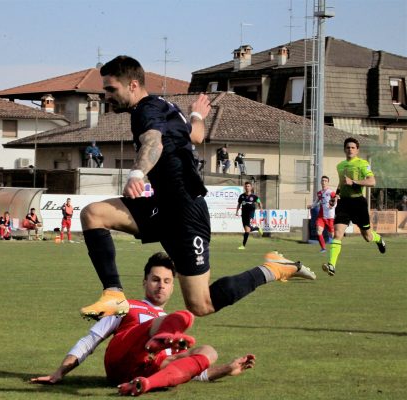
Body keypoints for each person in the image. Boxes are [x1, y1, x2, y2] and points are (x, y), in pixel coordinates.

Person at [79, 56, 316, 321]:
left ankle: (273, 269)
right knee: (93, 214)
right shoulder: (165, 108)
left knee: (201, 305)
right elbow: (196, 136)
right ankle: (113, 294)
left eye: (112, 89)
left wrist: (137, 173)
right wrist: (195, 115)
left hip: (185, 213)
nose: (107, 96)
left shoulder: (146, 111)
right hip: (163, 206)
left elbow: (153, 142)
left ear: (133, 85)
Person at [31, 252, 256, 396]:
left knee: (208, 351)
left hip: (147, 370)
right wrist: (60, 371)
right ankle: (153, 342)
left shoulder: (170, 321)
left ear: (173, 286)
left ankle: (147, 384)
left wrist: (226, 370)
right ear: (144, 282)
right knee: (184, 317)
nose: (161, 286)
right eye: (156, 280)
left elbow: (186, 371)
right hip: (121, 359)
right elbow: (92, 339)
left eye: (167, 281)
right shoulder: (125, 305)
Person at [322, 137, 386, 277]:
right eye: (348, 147)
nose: (350, 149)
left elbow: (372, 181)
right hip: (344, 203)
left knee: (367, 237)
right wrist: (335, 196)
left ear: (357, 150)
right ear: (344, 149)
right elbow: (341, 183)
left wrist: (354, 182)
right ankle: (332, 265)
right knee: (337, 234)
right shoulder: (340, 165)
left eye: (353, 147)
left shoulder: (363, 164)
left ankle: (379, 239)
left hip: (358, 204)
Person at [307, 176, 336, 252]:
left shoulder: (331, 192)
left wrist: (332, 206)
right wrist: (312, 205)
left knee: (332, 235)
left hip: (330, 216)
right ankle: (323, 248)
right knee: (319, 231)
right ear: (321, 182)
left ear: (328, 182)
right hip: (321, 216)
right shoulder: (319, 193)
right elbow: (316, 201)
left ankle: (336, 246)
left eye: (325, 181)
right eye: (322, 180)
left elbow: (335, 200)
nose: (324, 182)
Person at [235, 181, 263, 250]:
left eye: (248, 186)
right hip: (243, 214)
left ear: (251, 187)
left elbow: (259, 202)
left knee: (247, 230)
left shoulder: (254, 196)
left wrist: (261, 208)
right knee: (247, 229)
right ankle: (257, 228)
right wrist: (237, 211)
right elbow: (239, 204)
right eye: (246, 186)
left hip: (250, 214)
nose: (247, 187)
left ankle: (243, 246)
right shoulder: (241, 196)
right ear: (244, 187)